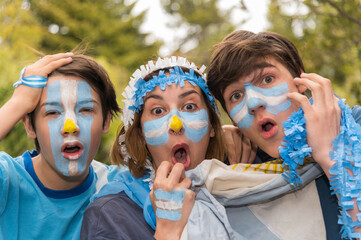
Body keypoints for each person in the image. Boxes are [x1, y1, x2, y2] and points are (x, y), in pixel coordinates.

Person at [205, 30, 361, 239]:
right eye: (236, 95)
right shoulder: (233, 175)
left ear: (300, 80)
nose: (253, 103)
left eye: (267, 79)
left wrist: (331, 155)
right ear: (233, 120)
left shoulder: (355, 125)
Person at [80, 56, 227, 239]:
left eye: (189, 107)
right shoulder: (109, 215)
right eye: (158, 110)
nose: (176, 123)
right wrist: (167, 231)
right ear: (141, 135)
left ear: (212, 126)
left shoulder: (239, 191)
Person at [0, 52, 122, 239]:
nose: (70, 126)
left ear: (106, 121)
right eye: (52, 112)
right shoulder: (7, 181)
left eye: (86, 109)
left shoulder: (121, 188)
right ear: (30, 126)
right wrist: (18, 103)